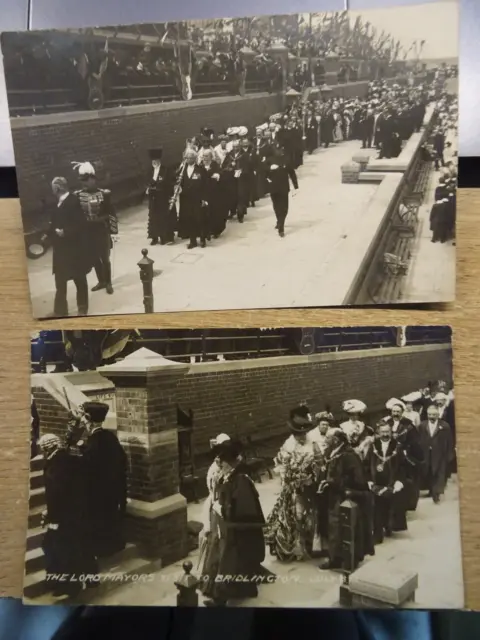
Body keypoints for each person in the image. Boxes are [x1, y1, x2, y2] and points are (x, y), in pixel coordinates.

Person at [201, 439, 266, 607]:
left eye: (221, 462)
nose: (219, 465)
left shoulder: (242, 480)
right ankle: (240, 589)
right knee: (231, 560)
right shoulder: (230, 475)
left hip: (238, 532)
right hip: (228, 529)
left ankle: (221, 598)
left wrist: (222, 509)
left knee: (231, 561)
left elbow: (244, 510)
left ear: (230, 463)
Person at [39, 433, 97, 599]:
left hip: (64, 518)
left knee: (60, 551)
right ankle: (89, 579)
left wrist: (52, 518)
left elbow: (58, 495)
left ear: (47, 448)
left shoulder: (56, 465)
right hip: (77, 515)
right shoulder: (69, 459)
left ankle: (69, 586)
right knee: (77, 549)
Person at [70, 402, 128, 558]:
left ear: (89, 419)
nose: (82, 420)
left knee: (99, 521)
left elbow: (89, 466)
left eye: (83, 417)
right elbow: (119, 460)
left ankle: (102, 549)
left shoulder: (94, 441)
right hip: (113, 490)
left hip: (98, 493)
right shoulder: (109, 437)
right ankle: (114, 545)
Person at [265, 405, 320, 561]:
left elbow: (320, 462)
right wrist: (288, 478)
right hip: (293, 488)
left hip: (310, 486)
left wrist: (313, 474)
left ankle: (310, 546)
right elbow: (282, 467)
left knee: (310, 516)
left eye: (303, 434)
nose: (301, 437)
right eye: (298, 434)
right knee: (294, 517)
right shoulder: (288, 446)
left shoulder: (313, 443)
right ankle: (295, 548)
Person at [317, 428, 374, 571]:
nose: (325, 440)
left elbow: (358, 480)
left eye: (328, 438)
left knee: (348, 529)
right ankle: (334, 558)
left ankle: (351, 560)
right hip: (332, 498)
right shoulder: (331, 453)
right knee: (333, 529)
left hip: (346, 498)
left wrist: (334, 483)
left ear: (336, 441)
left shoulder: (349, 456)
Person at [47, 177, 91, 317]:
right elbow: (53, 223)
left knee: (79, 278)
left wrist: (65, 231)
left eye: (53, 186)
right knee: (60, 280)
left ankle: (82, 307)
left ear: (58, 187)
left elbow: (81, 224)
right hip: (60, 250)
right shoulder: (57, 203)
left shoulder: (73, 201)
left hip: (74, 249)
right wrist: (46, 235)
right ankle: (60, 310)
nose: (52, 189)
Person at [74, 162, 117, 295]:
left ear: (93, 179)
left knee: (105, 258)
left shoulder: (104, 194)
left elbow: (111, 213)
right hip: (87, 232)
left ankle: (108, 282)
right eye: (83, 181)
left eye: (86, 181)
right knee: (93, 258)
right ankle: (101, 281)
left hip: (101, 230)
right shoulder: (77, 195)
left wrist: (114, 232)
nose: (84, 184)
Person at [384, 398, 424, 519]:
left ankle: (404, 506)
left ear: (402, 412)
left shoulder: (408, 424)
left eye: (398, 411)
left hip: (404, 457)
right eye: (393, 411)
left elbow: (415, 441)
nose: (395, 414)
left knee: (404, 481)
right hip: (388, 456)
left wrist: (407, 449)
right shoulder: (387, 423)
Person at [367, 421, 403, 544]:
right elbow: (366, 465)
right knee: (377, 508)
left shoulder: (397, 446)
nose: (385, 434)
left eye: (387, 431)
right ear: (378, 433)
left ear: (391, 432)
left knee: (389, 506)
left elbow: (403, 466)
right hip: (376, 483)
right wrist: (369, 480)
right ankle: (378, 534)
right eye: (382, 432)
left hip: (391, 482)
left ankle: (388, 526)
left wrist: (399, 481)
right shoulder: (373, 446)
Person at [419, 404, 453, 503]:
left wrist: (449, 454)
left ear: (438, 415)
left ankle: (436, 493)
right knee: (429, 471)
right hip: (426, 453)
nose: (432, 417)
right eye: (430, 415)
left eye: (434, 415)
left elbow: (449, 441)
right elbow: (419, 439)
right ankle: (431, 490)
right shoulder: (422, 425)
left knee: (439, 473)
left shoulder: (444, 426)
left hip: (440, 454)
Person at [266, 141, 298, 238]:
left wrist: (295, 186)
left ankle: (281, 227)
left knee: (284, 208)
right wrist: (269, 169)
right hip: (273, 187)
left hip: (284, 186)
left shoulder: (286, 160)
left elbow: (292, 173)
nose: (279, 151)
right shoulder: (269, 160)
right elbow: (263, 171)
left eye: (280, 149)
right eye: (276, 149)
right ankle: (279, 221)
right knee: (276, 206)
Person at [178, 148, 209, 249]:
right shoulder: (182, 169)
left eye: (191, 158)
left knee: (199, 219)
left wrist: (204, 199)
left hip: (197, 198)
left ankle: (203, 239)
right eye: (187, 158)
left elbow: (205, 185)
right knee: (189, 219)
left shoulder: (200, 169)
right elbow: (178, 182)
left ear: (195, 159)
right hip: (186, 199)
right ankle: (193, 241)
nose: (188, 160)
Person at [146, 148, 175, 246]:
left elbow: (168, 183)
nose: (154, 162)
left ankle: (163, 237)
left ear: (159, 161)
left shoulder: (165, 170)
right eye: (153, 161)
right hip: (153, 198)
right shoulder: (149, 171)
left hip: (162, 197)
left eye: (156, 161)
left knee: (162, 217)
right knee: (153, 217)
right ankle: (154, 237)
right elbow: (147, 182)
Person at [201, 148, 225, 239]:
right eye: (203, 156)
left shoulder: (215, 165)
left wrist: (218, 175)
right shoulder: (201, 165)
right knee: (205, 212)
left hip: (214, 192)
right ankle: (206, 230)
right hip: (204, 192)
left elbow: (221, 174)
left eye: (206, 156)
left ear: (211, 157)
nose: (204, 158)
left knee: (215, 211)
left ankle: (215, 230)